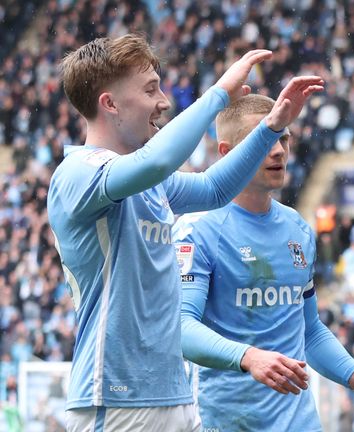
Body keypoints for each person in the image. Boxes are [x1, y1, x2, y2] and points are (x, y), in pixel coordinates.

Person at [48, 33, 323, 431]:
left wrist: (270, 127)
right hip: (116, 397)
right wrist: (218, 96)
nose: (163, 101)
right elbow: (157, 161)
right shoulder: (78, 173)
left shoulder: (151, 184)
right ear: (109, 104)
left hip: (174, 397)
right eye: (150, 90)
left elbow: (215, 189)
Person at [172, 94, 354, 431]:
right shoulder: (198, 229)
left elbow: (309, 331)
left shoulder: (298, 228)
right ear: (226, 152)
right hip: (226, 422)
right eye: (264, 139)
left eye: (283, 138)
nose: (279, 150)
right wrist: (248, 357)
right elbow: (181, 328)